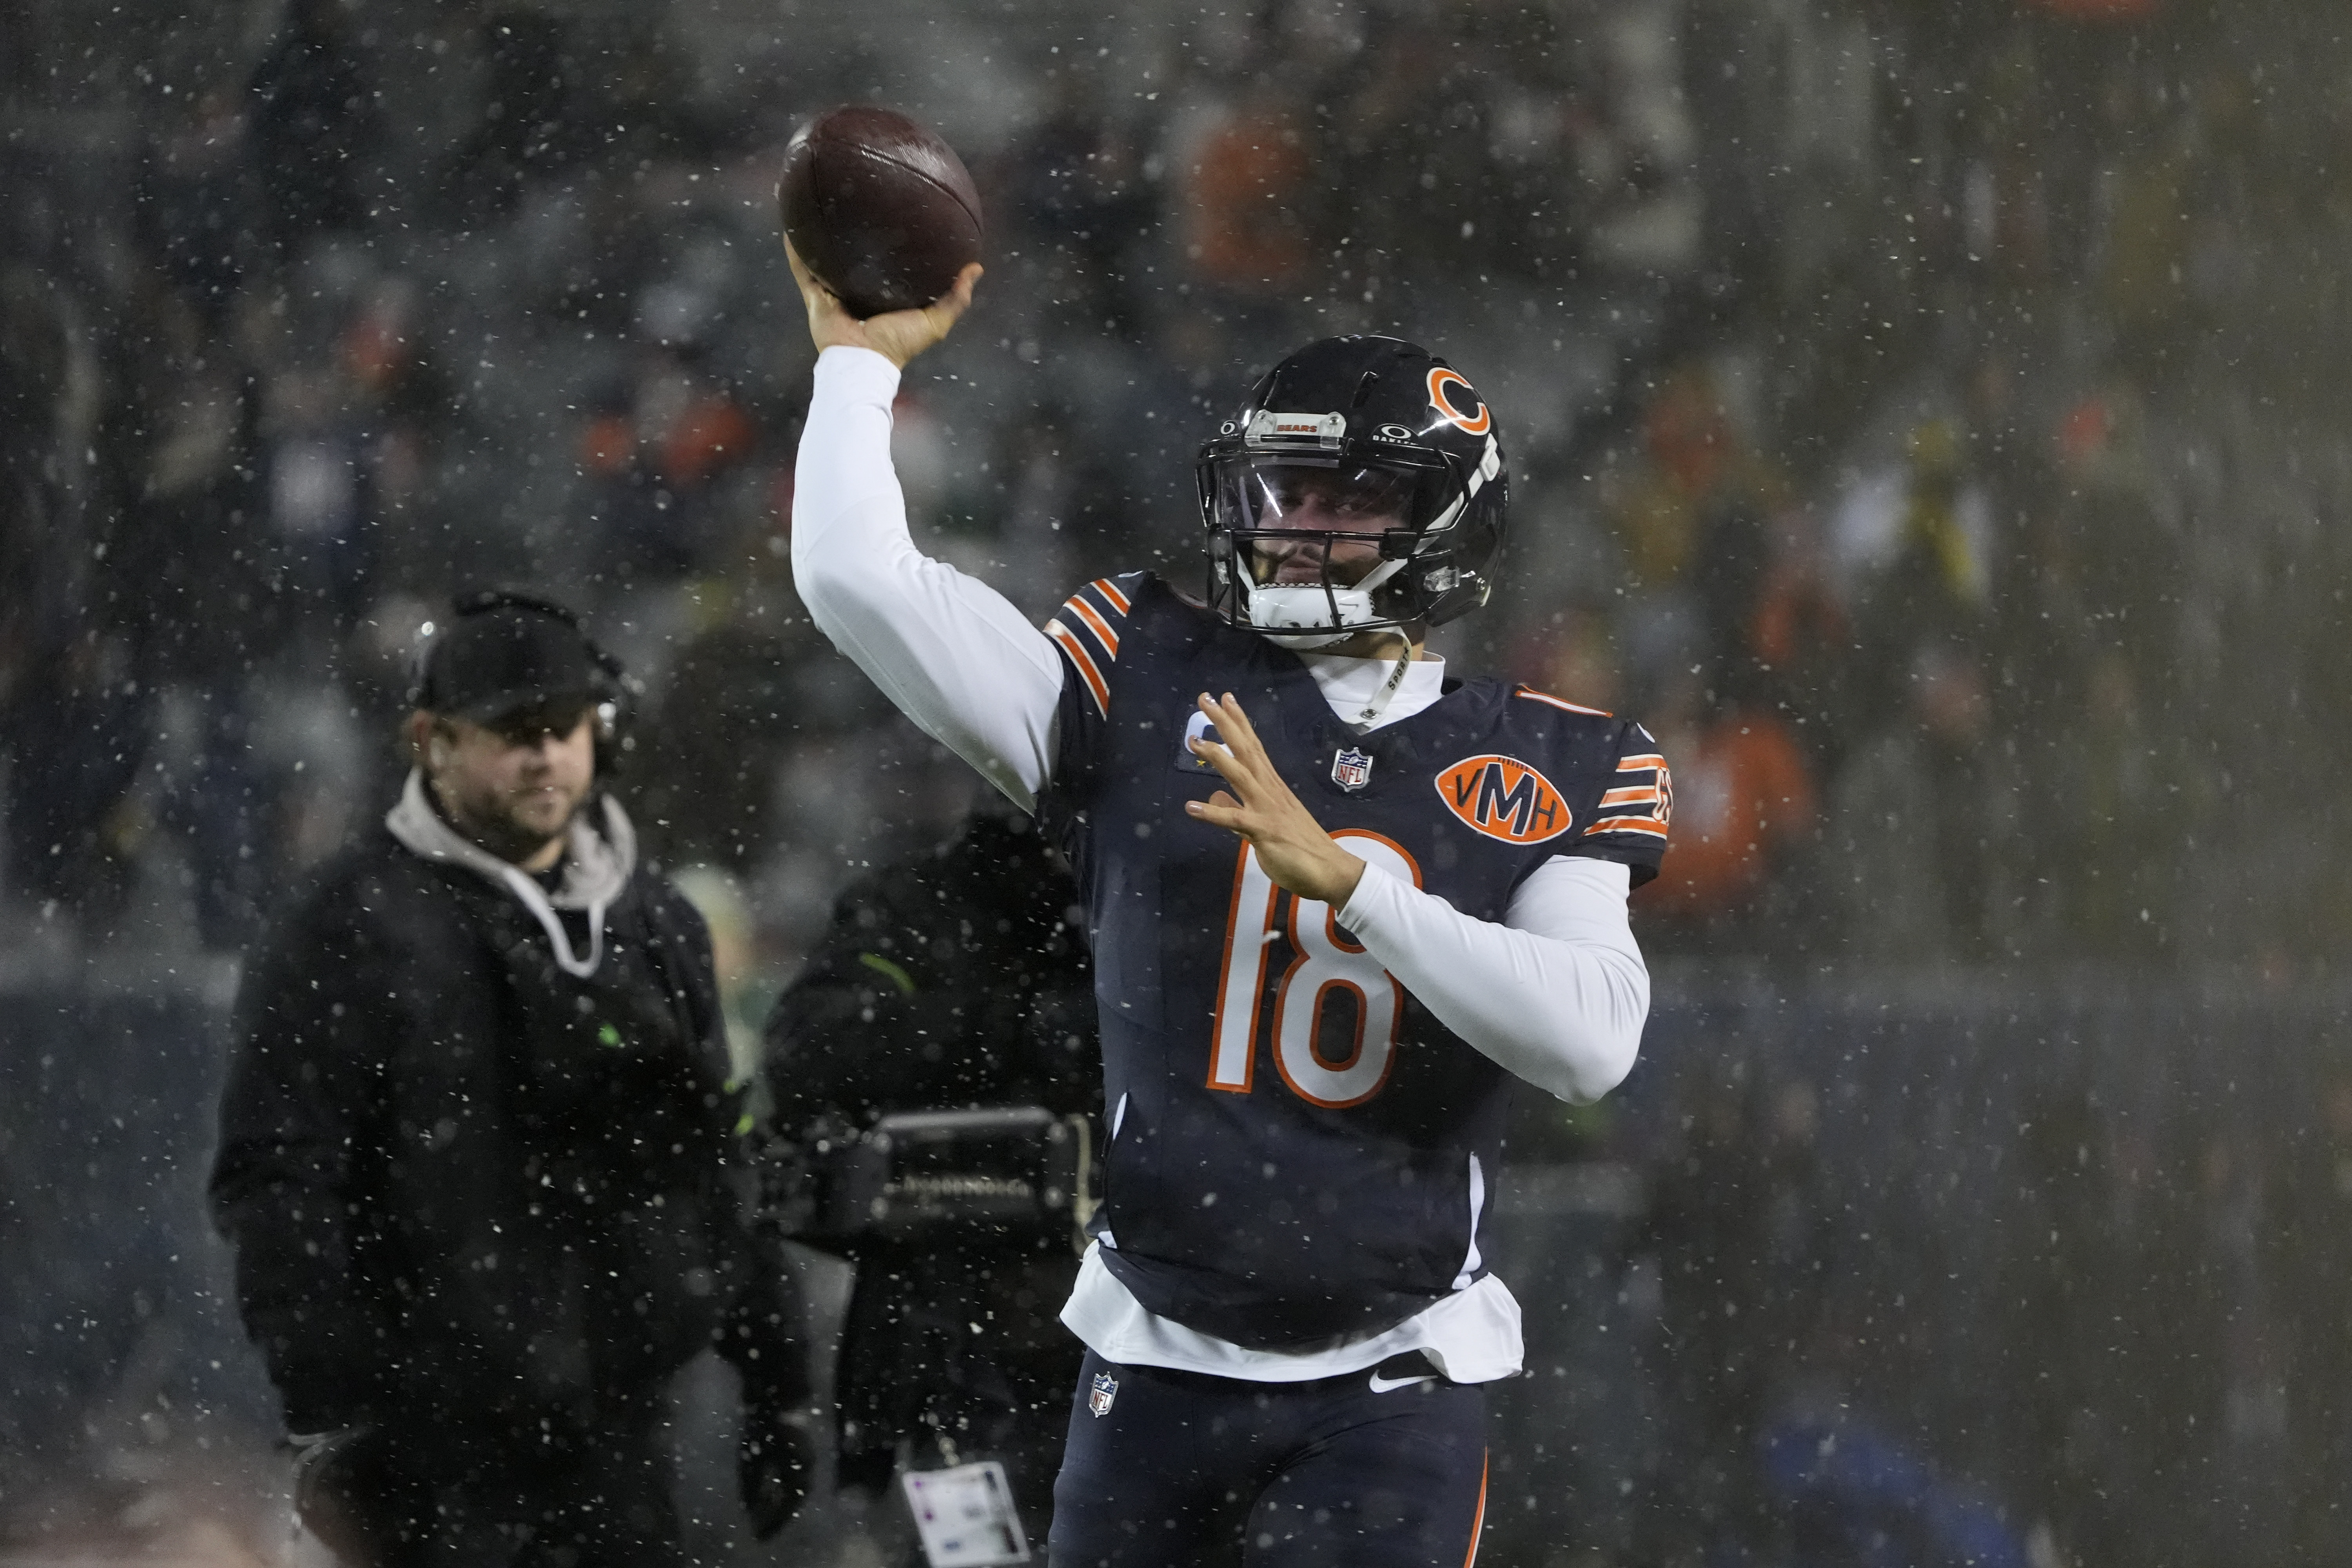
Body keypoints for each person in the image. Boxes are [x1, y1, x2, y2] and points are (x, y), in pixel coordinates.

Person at [782, 245, 1668, 1566]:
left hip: (1390, 1370)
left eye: (1347, 498)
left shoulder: (1550, 757)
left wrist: (1356, 888)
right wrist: (856, 369)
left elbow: (1592, 1042)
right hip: (1150, 1355)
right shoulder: (1139, 670)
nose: (1300, 525)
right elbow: (856, 583)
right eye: (1284, 490)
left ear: (1446, 523)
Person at [209, 590, 813, 1568]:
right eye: (511, 731)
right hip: (424, 1447)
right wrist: (331, 1416)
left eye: (565, 726)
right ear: (431, 741)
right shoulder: (345, 926)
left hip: (621, 1443)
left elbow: (720, 1162)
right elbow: (279, 1185)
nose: (545, 755)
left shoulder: (657, 924)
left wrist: (777, 1378)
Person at [764, 804, 1097, 1560]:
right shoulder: (923, 905)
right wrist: (989, 1018)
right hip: (953, 1338)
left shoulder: (1167, 899)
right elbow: (806, 1057)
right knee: (971, 1549)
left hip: (1131, 1333)